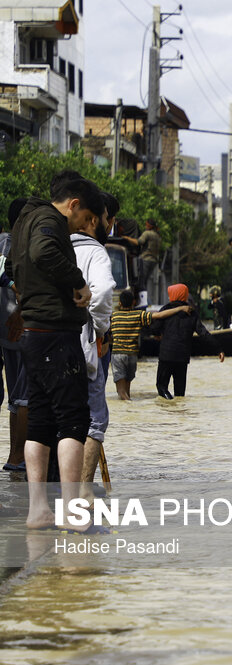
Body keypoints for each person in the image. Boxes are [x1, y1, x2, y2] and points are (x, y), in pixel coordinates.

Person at [10, 177, 103, 530]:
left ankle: (39, 511)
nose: (86, 227)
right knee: (73, 421)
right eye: (87, 218)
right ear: (74, 204)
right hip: (56, 335)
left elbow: (12, 269)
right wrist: (78, 283)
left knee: (42, 422)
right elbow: (43, 253)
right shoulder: (49, 222)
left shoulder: (25, 221)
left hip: (35, 332)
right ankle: (72, 512)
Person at [70, 193, 117, 501]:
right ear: (99, 219)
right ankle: (84, 490)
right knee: (95, 418)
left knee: (63, 416)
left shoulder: (57, 244)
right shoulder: (96, 252)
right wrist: (97, 329)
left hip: (49, 339)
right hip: (85, 343)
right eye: (110, 220)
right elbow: (100, 296)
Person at [109, 290, 191, 400]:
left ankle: (131, 408)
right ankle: (128, 411)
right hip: (132, 356)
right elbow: (160, 315)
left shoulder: (114, 316)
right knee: (127, 390)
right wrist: (180, 308)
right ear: (134, 302)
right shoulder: (139, 315)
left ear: (119, 303)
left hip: (118, 355)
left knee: (121, 392)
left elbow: (106, 332)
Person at [150, 284, 224, 399]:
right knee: (180, 393)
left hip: (167, 355)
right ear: (184, 295)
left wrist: (157, 335)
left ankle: (169, 408)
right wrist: (218, 349)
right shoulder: (191, 312)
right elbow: (203, 333)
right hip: (182, 357)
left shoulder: (165, 310)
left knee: (161, 387)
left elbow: (154, 328)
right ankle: (180, 413)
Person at [0, 199, 27, 472]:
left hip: (8, 333)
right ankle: (17, 457)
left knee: (14, 398)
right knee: (21, 397)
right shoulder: (12, 244)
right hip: (15, 330)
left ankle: (14, 456)